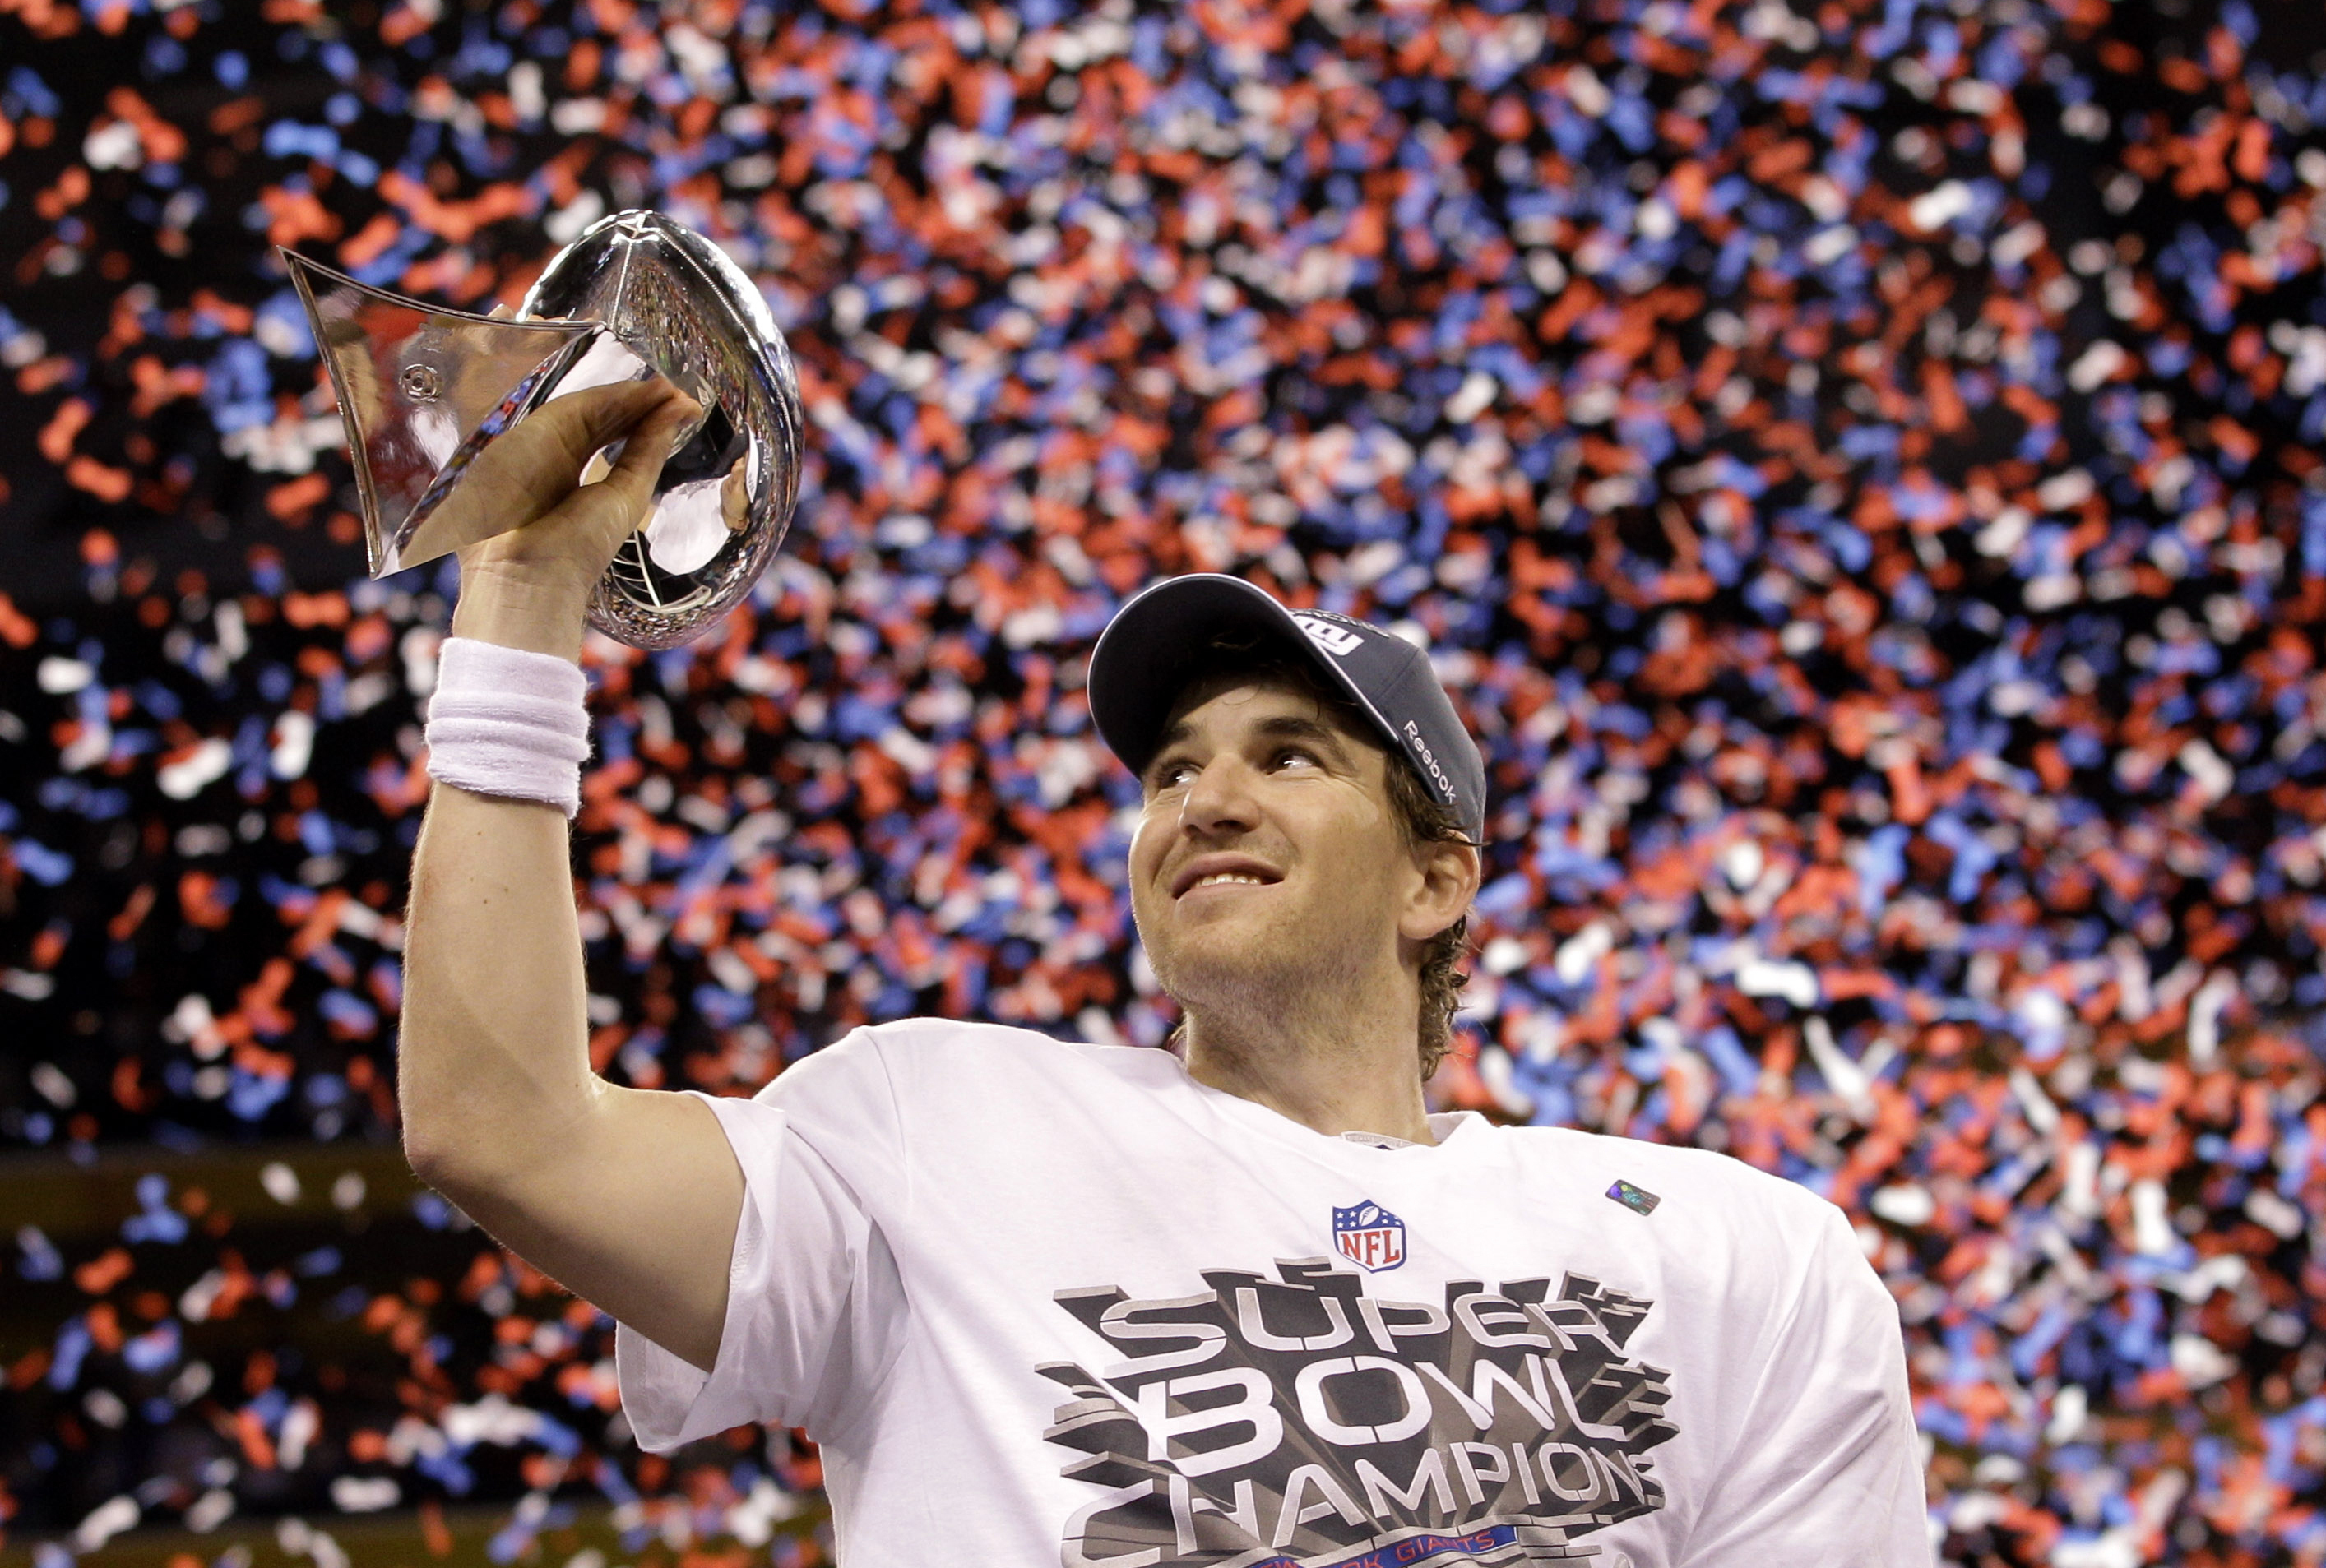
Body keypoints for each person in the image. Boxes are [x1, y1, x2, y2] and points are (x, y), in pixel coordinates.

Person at [396, 377, 1932, 1566]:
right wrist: (524, 607)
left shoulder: (1746, 1259)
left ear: (1435, 876)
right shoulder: (931, 1127)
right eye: (1168, 772)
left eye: (1290, 756)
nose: (1203, 798)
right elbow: (507, 1131)